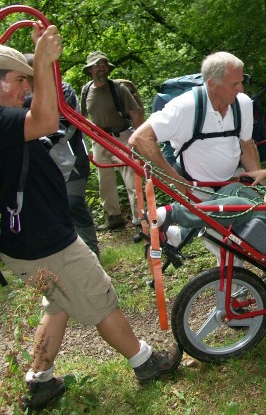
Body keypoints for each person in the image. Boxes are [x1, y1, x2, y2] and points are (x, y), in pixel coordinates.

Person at [0, 27, 181, 411]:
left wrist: (42, 69)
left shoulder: (8, 117)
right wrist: (45, 61)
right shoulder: (3, 121)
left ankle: (38, 381)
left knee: (59, 302)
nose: (24, 90)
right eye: (19, 81)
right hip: (47, 242)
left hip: (26, 243)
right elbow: (47, 120)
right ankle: (145, 361)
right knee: (100, 296)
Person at [129, 51, 266, 315]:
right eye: (235, 83)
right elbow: (140, 139)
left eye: (241, 81)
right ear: (212, 83)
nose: (242, 88)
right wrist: (177, 182)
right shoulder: (186, 107)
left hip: (235, 183)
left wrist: (258, 178)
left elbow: (246, 143)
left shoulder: (242, 104)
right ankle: (236, 301)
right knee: (228, 249)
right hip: (198, 191)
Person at [23, 54, 100, 256]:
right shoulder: (21, 95)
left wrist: (36, 132)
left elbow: (64, 126)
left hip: (72, 160)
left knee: (73, 203)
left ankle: (92, 252)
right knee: (53, 210)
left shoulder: (63, 90)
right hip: (43, 164)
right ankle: (71, 255)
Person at [81, 51, 144, 230]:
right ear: (90, 69)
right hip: (99, 139)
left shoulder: (119, 88)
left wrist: (136, 140)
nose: (102, 68)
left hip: (122, 137)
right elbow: (83, 117)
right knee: (105, 181)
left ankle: (140, 220)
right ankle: (113, 217)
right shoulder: (86, 90)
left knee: (132, 180)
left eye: (104, 64)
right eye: (97, 65)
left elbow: (136, 114)